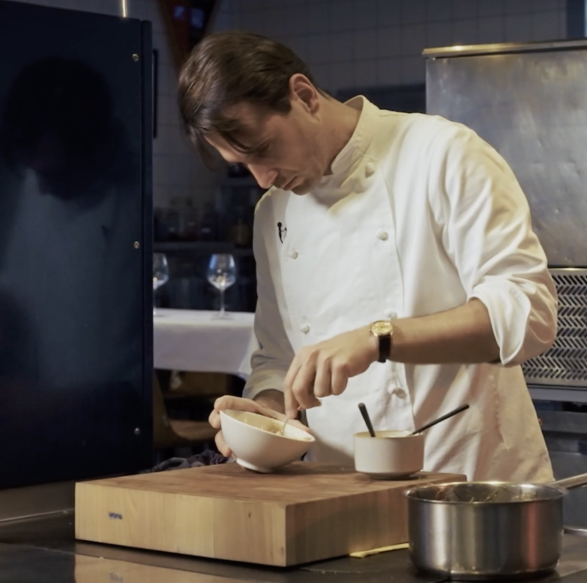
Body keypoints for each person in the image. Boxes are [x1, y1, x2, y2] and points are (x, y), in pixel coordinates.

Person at [178, 31, 558, 482]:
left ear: (303, 95)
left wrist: (378, 338)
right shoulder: (273, 213)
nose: (262, 179)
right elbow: (277, 359)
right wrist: (262, 416)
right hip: (337, 493)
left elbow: (528, 314)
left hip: (467, 483)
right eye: (242, 166)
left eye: (262, 150)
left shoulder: (443, 154)